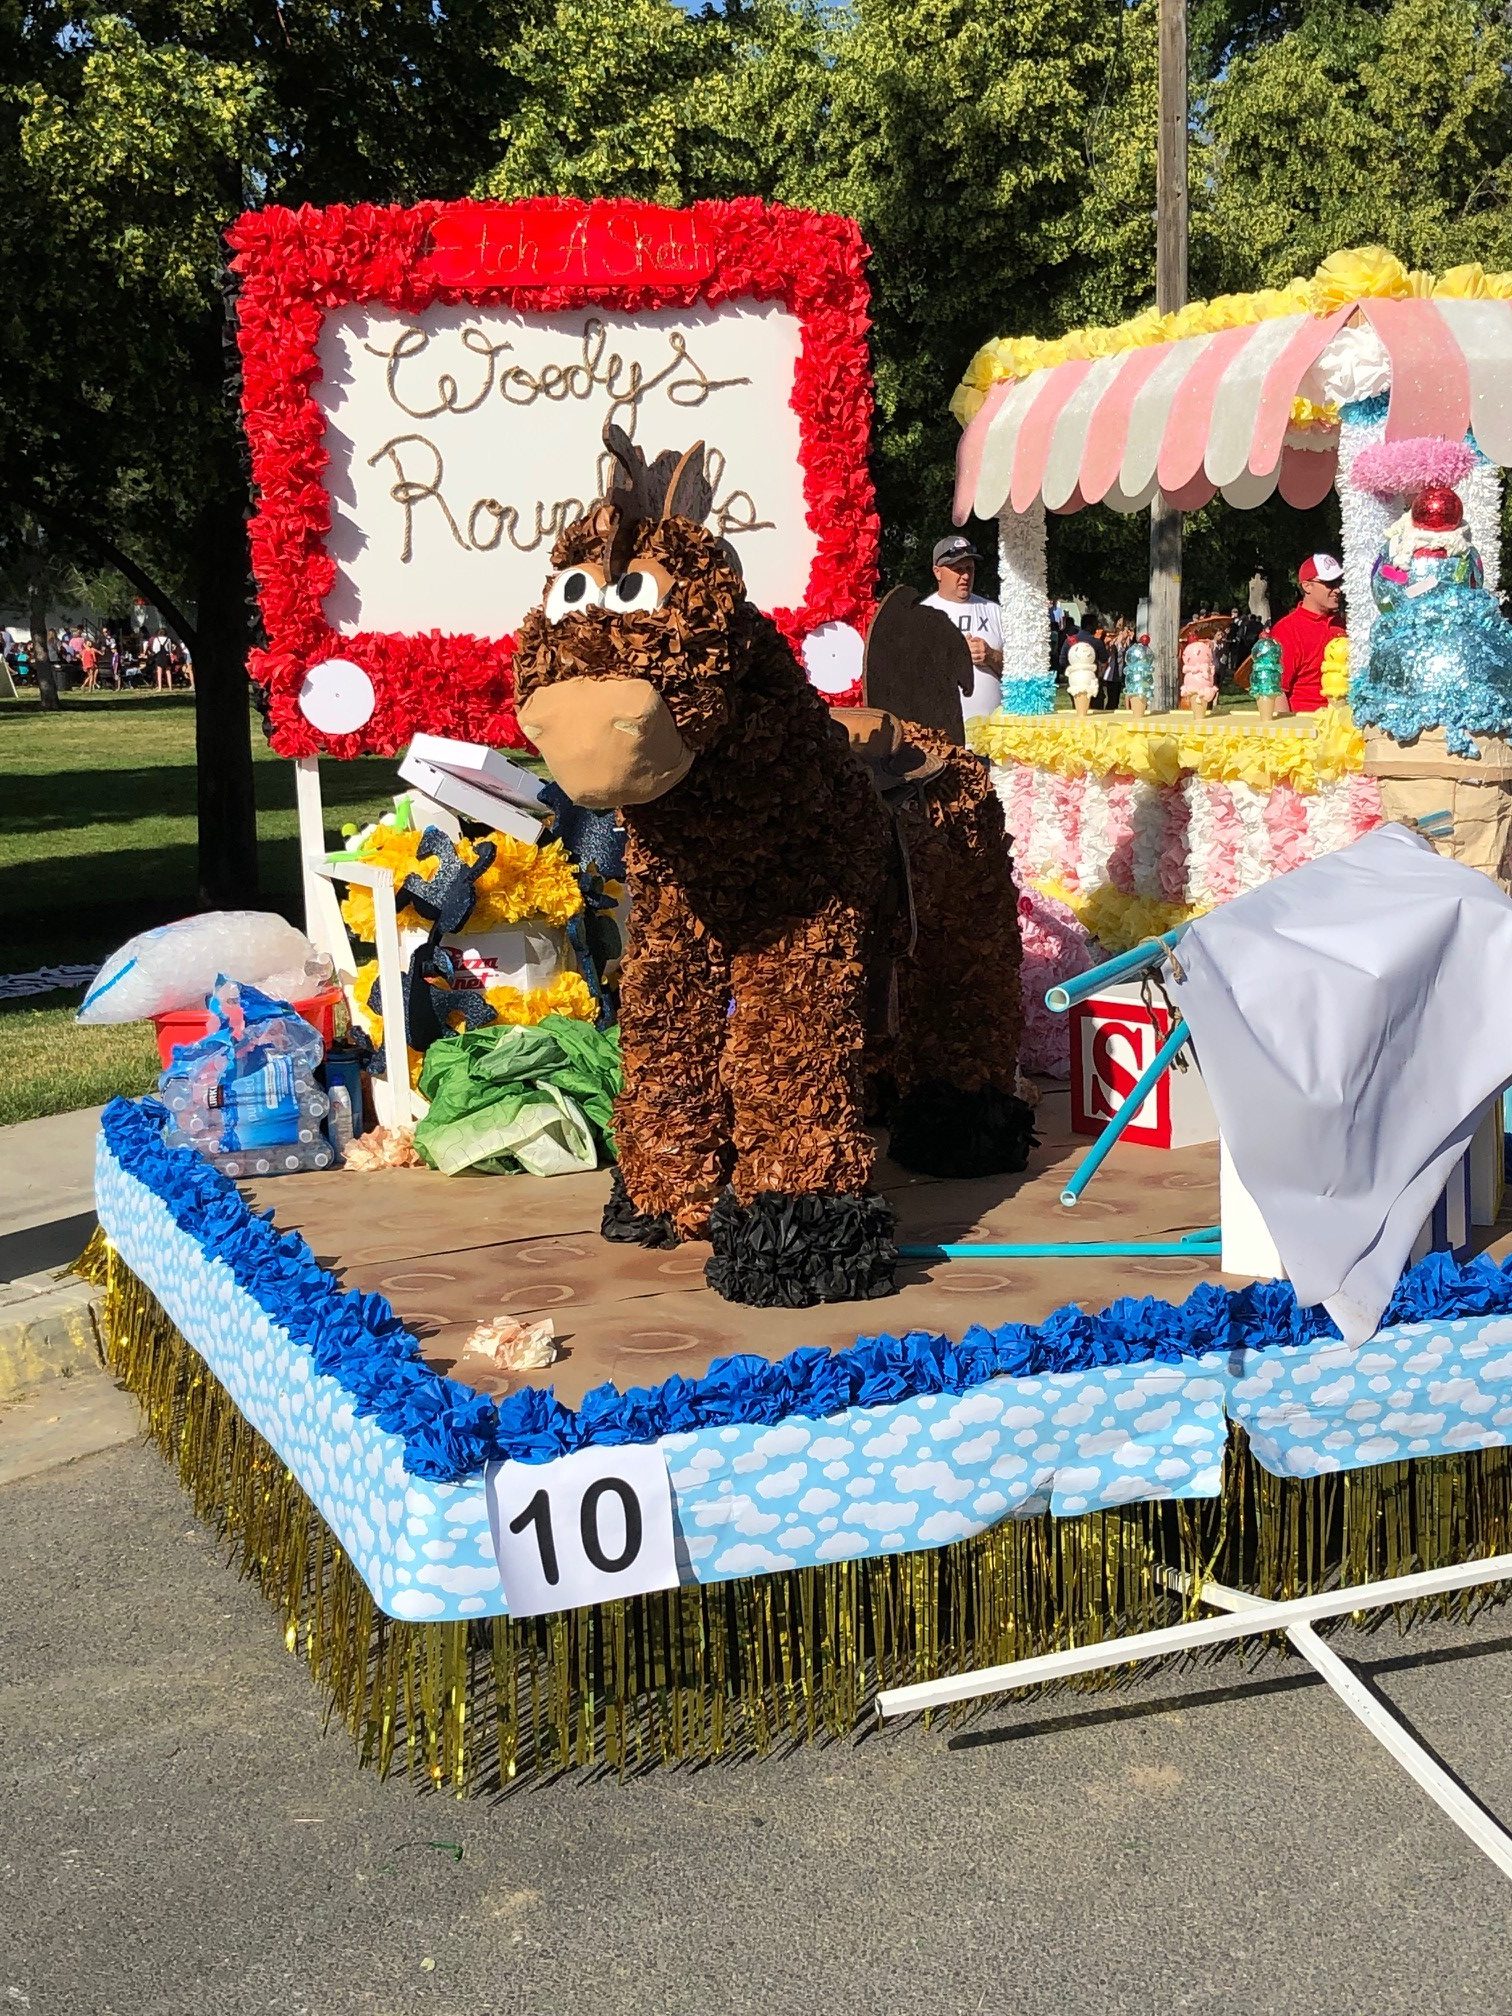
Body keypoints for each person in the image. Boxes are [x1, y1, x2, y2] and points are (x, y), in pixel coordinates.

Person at [920, 534, 1003, 722]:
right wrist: (951, 655)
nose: (965, 576)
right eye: (958, 569)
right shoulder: (922, 614)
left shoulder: (994, 611)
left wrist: (991, 656)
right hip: (943, 731)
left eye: (969, 569)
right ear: (937, 572)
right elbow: (910, 676)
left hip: (994, 731)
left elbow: (1019, 672)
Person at [1271, 553, 1346, 713]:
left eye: (1339, 582)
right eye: (1329, 583)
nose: (1337, 589)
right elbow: (1276, 690)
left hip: (1345, 721)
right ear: (1307, 586)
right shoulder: (1287, 630)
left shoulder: (1341, 624)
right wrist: (1288, 727)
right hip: (1307, 722)